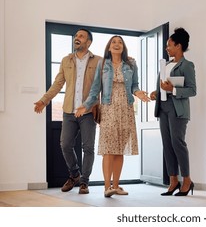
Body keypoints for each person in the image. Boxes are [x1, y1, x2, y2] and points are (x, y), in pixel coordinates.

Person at [75, 35, 150, 197]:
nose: (117, 44)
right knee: (108, 149)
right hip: (108, 109)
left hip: (126, 109)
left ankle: (116, 186)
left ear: (123, 47)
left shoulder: (131, 64)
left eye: (120, 42)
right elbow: (95, 89)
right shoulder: (102, 64)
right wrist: (85, 105)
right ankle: (107, 187)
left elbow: (134, 85)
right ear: (109, 47)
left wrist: (140, 94)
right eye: (113, 42)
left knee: (119, 150)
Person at [34, 28, 101, 194]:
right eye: (76, 36)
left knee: (88, 148)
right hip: (69, 111)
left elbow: (100, 86)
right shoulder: (66, 60)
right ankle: (75, 174)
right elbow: (58, 84)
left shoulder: (98, 61)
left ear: (89, 42)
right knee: (65, 145)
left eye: (81, 36)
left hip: (88, 112)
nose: (77, 38)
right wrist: (44, 100)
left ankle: (84, 182)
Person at [150, 27, 197, 196]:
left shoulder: (187, 65)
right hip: (163, 107)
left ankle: (187, 180)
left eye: (169, 45)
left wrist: (173, 90)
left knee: (178, 144)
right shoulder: (166, 65)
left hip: (178, 109)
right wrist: (156, 92)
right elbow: (162, 86)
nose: (167, 48)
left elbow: (192, 90)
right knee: (167, 145)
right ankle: (173, 181)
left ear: (178, 46)